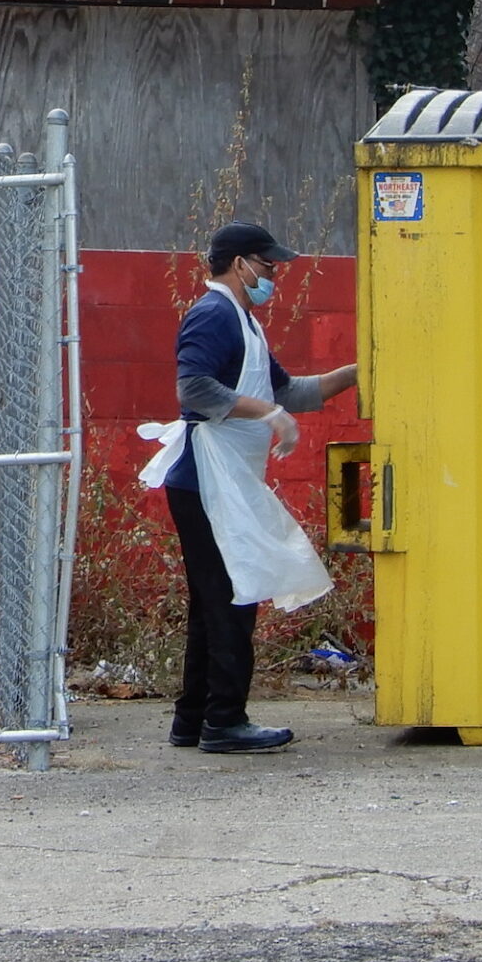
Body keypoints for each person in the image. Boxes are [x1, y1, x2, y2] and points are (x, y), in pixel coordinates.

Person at [154, 221, 356, 754]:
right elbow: (193, 387)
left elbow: (290, 391)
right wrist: (267, 412)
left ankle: (194, 720)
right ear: (240, 263)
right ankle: (224, 721)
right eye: (268, 266)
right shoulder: (214, 313)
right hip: (206, 481)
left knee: (215, 600)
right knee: (233, 599)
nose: (274, 276)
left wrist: (359, 371)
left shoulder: (244, 322)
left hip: (223, 482)